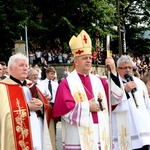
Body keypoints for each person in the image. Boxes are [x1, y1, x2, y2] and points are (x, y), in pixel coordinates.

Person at [52, 30, 123, 150]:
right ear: (76, 61)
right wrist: (87, 107)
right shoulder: (67, 83)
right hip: (78, 137)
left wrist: (114, 71)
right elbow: (64, 110)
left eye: (90, 57)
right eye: (85, 58)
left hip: (101, 133)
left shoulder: (99, 81)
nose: (89, 60)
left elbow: (116, 98)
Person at [0, 53, 55, 150]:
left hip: (38, 133)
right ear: (11, 68)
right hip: (18, 138)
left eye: (26, 65)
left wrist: (42, 106)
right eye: (21, 65)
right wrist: (27, 107)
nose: (25, 68)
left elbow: (48, 107)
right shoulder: (2, 88)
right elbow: (3, 114)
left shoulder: (31, 85)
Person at [112, 55, 150, 150]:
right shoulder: (114, 84)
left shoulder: (140, 83)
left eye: (130, 67)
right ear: (117, 69)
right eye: (124, 68)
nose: (128, 70)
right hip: (125, 130)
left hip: (143, 131)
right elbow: (113, 105)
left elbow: (146, 105)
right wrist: (124, 91)